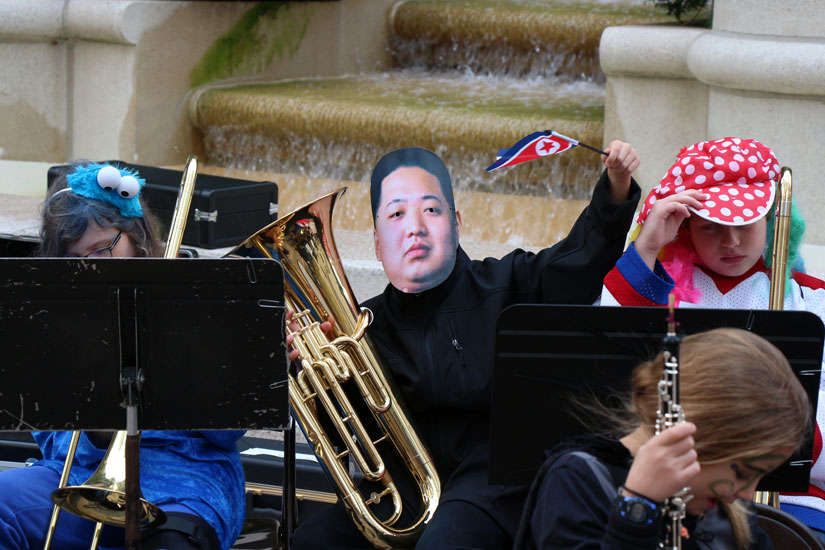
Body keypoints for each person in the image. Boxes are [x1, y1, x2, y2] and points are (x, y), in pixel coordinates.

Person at [291, 141, 642, 548]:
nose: (415, 227)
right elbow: (346, 442)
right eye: (397, 214)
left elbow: (581, 260)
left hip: (494, 483)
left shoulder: (510, 284)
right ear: (376, 243)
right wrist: (306, 370)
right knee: (312, 542)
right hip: (408, 489)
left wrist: (615, 188)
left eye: (431, 210)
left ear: (456, 222)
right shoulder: (359, 329)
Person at [0, 162, 246, 550]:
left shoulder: (200, 299)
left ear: (135, 236)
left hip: (186, 484)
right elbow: (47, 435)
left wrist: (253, 367)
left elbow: (226, 434)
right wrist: (99, 422)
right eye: (77, 259)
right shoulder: (51, 310)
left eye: (103, 249)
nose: (92, 266)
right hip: (78, 478)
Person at [599, 137, 825, 538]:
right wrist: (647, 248)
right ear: (684, 228)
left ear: (771, 219)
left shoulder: (812, 297)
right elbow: (607, 358)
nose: (732, 241)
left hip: (792, 501)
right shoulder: (655, 287)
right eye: (711, 227)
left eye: (745, 224)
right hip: (676, 491)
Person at [514, 327, 811, 550]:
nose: (746, 495)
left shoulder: (729, 511)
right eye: (742, 472)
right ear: (692, 434)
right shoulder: (579, 481)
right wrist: (637, 510)